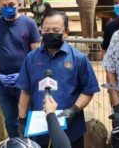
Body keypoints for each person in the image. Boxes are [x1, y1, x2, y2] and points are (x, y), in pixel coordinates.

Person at [16, 11, 100, 148]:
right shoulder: (31, 58)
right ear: (40, 31)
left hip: (70, 129)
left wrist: (74, 110)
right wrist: (22, 120)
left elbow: (88, 90)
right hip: (38, 130)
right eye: (46, 30)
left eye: (56, 30)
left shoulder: (79, 59)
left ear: (66, 32)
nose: (50, 34)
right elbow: (25, 91)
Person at [0, 0, 41, 138]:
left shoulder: (29, 23)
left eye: (11, 4)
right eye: (4, 5)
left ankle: (30, 145)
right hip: (2, 83)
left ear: (19, 4)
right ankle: (15, 143)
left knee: (28, 118)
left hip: (25, 83)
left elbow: (36, 54)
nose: (8, 8)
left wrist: (24, 75)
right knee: (10, 120)